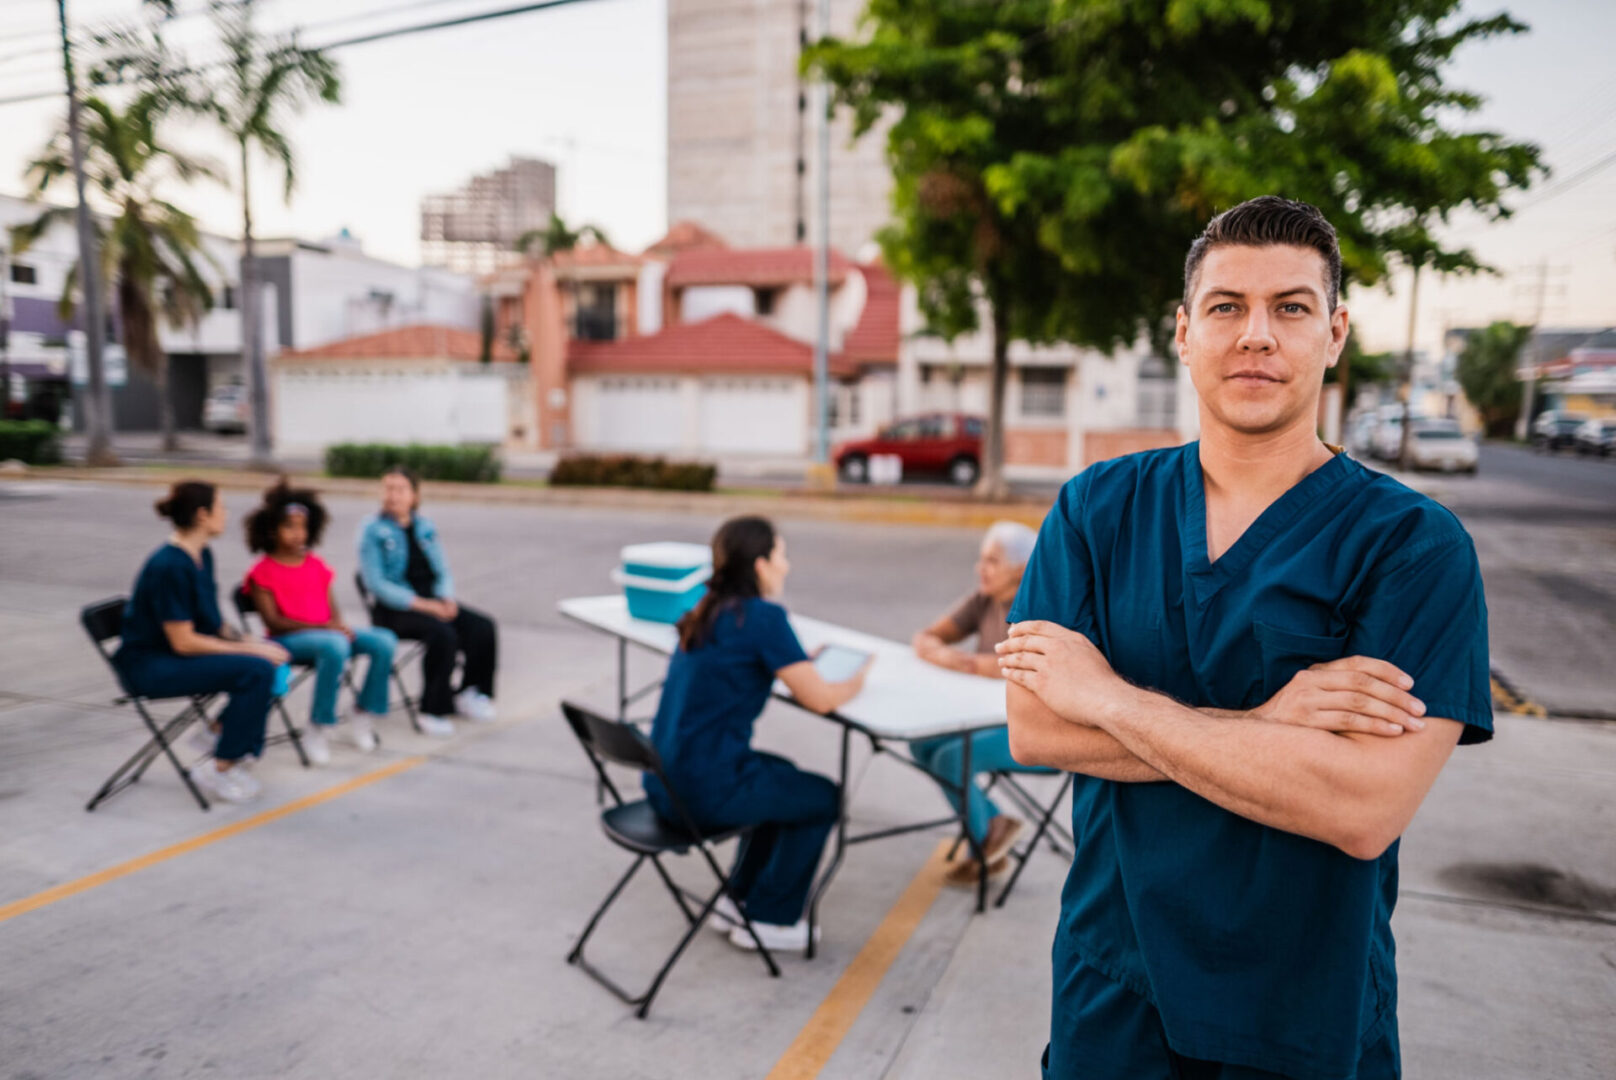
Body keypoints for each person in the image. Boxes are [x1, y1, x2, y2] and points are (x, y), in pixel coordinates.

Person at [999, 196, 1493, 1080]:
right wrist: (1274, 730)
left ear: (1335, 333)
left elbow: (1361, 808)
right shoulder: (1096, 510)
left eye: (1291, 308)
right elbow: (1036, 730)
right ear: (1184, 333)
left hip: (1302, 1010)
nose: (1256, 335)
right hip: (1113, 990)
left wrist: (1107, 699)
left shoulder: (1413, 546)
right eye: (1227, 307)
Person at [644, 516, 869, 953]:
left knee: (781, 774)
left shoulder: (706, 609)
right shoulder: (763, 617)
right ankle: (770, 920)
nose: (786, 566)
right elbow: (820, 700)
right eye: (782, 555)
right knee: (823, 797)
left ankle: (738, 898)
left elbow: (743, 661)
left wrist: (798, 660)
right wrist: (857, 680)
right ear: (762, 565)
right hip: (702, 793)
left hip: (664, 783)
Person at [113, 481, 290, 804]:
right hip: (150, 666)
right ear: (202, 515)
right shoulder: (170, 566)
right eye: (221, 507)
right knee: (255, 670)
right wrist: (247, 650)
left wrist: (249, 640)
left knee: (271, 661)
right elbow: (183, 641)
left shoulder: (201, 555)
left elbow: (213, 623)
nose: (226, 513)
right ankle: (219, 766)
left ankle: (221, 732)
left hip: (176, 656)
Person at [909, 520, 1044, 887]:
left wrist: (960, 661)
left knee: (953, 757)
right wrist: (958, 660)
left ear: (1019, 569)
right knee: (921, 743)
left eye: (991, 561)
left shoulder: (1038, 607)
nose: (980, 569)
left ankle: (982, 844)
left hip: (1037, 735)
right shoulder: (984, 598)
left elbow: (999, 666)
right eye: (981, 559)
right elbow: (927, 638)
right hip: (988, 718)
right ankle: (993, 826)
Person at [244, 479, 396, 764]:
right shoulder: (262, 571)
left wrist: (339, 625)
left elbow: (332, 611)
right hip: (286, 641)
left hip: (327, 638)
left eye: (302, 526)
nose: (298, 534)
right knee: (334, 646)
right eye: (289, 526)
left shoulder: (315, 564)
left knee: (383, 640)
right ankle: (318, 724)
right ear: (271, 529)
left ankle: (362, 711)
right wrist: (328, 630)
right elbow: (273, 623)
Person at [358, 467, 498, 736]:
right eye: (387, 488)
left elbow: (442, 568)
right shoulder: (372, 531)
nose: (393, 495)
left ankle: (471, 692)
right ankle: (433, 708)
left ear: (414, 495)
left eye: (400, 489)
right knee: (442, 633)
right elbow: (377, 585)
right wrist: (424, 605)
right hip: (395, 609)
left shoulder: (424, 527)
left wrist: (446, 598)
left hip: (432, 600)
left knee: (482, 626)